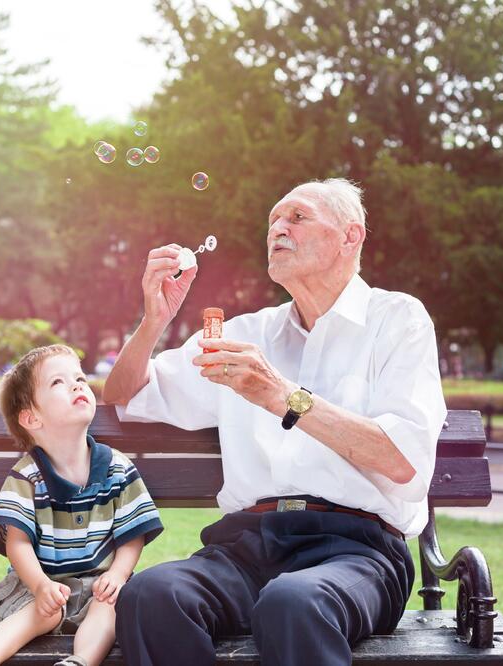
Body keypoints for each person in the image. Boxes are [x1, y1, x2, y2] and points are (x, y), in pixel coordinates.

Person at [103, 178, 447, 666]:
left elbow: (404, 460)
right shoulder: (247, 334)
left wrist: (282, 395)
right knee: (153, 595)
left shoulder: (397, 321)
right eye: (273, 221)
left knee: (294, 602)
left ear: (351, 236)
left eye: (297, 217)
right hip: (248, 545)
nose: (277, 229)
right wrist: (154, 320)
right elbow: (123, 396)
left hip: (357, 550)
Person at [0, 345, 164, 666]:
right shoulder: (28, 476)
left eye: (80, 377)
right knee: (42, 611)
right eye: (58, 382)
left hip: (98, 581)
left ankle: (80, 661)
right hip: (35, 583)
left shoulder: (117, 467)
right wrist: (41, 585)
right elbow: (18, 542)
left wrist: (118, 574)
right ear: (31, 418)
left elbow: (132, 535)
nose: (77, 385)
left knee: (109, 604)